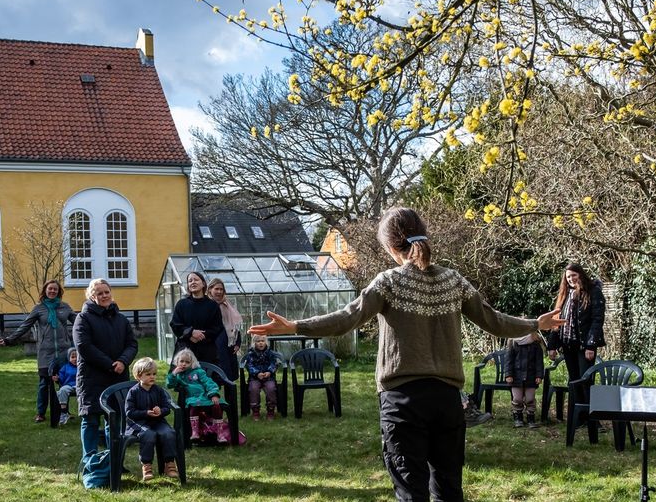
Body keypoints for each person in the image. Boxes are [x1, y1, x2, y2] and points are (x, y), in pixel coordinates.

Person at [249, 207, 564, 501]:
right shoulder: (453, 280)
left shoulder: (388, 282)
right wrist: (535, 323)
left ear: (389, 245)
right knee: (449, 490)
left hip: (403, 403)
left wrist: (296, 326)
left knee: (412, 493)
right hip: (448, 402)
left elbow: (347, 318)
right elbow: (494, 321)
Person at [73, 278, 138, 458]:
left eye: (106, 292)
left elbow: (132, 344)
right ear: (92, 296)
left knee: (114, 421)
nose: (104, 296)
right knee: (91, 420)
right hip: (91, 378)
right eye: (99, 293)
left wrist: (123, 361)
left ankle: (114, 461)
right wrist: (110, 364)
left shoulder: (121, 319)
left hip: (117, 378)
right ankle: (90, 463)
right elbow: (84, 346)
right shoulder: (83, 318)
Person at [0, 279, 75, 423]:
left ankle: (64, 411)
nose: (52, 291)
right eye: (50, 289)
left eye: (55, 289)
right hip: (46, 352)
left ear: (59, 292)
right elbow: (25, 325)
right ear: (45, 291)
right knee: (44, 383)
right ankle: (41, 413)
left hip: (64, 350)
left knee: (64, 381)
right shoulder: (39, 308)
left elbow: (78, 321)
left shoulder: (65, 307)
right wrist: (10, 339)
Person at [545, 263, 606, 415]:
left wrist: (591, 345)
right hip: (568, 345)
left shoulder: (593, 292)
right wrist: (552, 346)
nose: (571, 279)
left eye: (574, 275)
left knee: (585, 381)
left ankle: (592, 417)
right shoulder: (565, 294)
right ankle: (578, 417)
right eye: (568, 277)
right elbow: (556, 320)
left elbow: (597, 320)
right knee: (573, 381)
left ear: (580, 274)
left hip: (584, 346)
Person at [124, 357, 179, 481]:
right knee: (148, 435)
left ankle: (169, 464)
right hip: (139, 423)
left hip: (157, 421)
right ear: (139, 376)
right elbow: (129, 412)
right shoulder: (133, 392)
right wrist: (145, 413)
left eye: (154, 374)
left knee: (169, 433)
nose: (152, 377)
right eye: (148, 374)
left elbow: (167, 408)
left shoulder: (158, 390)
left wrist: (161, 411)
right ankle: (147, 466)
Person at [166, 349, 228, 444]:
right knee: (194, 406)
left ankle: (219, 433)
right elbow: (170, 385)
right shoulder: (178, 375)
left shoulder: (198, 372)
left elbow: (208, 382)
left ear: (192, 363)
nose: (184, 364)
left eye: (187, 362)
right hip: (193, 398)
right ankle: (195, 432)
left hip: (206, 396)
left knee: (216, 405)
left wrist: (213, 394)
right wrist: (174, 373)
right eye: (181, 361)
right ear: (177, 362)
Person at [168, 272, 222, 365]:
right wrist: (191, 333)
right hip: (184, 350)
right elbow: (175, 325)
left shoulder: (212, 305)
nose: (193, 282)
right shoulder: (181, 304)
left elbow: (217, 327)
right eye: (190, 281)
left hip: (207, 351)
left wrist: (200, 336)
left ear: (203, 284)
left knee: (206, 378)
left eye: (196, 280)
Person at [504, 331, 545, 428]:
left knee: (530, 399)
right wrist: (508, 374)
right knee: (517, 399)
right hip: (516, 377)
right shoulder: (513, 343)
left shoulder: (535, 344)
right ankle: (518, 418)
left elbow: (539, 362)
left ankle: (531, 418)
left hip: (531, 377)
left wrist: (539, 375)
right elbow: (508, 361)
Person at [207, 278, 242, 380]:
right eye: (216, 289)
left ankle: (230, 396)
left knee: (229, 377)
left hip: (229, 345)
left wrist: (237, 343)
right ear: (210, 290)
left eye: (221, 289)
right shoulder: (207, 305)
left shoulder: (227, 304)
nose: (219, 292)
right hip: (213, 346)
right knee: (214, 376)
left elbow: (234, 325)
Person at [242, 334, 279, 420]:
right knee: (253, 389)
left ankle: (270, 410)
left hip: (268, 377)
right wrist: (257, 373)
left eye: (262, 341)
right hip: (255, 378)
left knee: (271, 389)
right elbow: (249, 365)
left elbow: (274, 363)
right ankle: (255, 411)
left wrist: (269, 372)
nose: (260, 343)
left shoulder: (270, 353)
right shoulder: (251, 354)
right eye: (258, 341)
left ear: (266, 343)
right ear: (254, 343)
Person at [53, 347, 79, 425]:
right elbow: (61, 380)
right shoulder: (65, 367)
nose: (75, 359)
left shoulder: (82, 367)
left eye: (77, 357)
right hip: (69, 386)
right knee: (62, 390)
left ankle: (85, 412)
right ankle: (64, 412)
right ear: (69, 358)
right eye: (73, 357)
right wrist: (57, 379)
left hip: (80, 386)